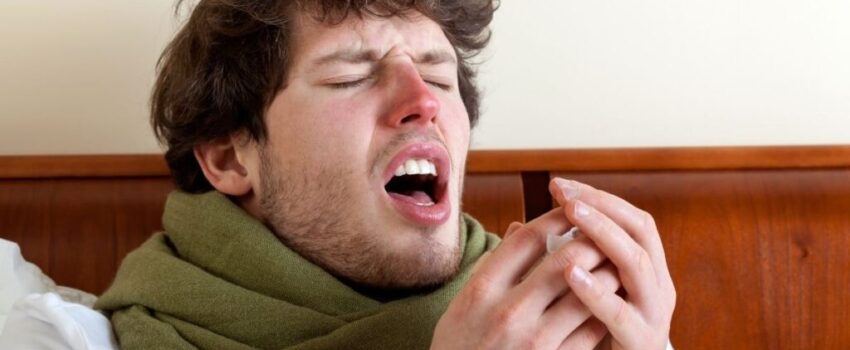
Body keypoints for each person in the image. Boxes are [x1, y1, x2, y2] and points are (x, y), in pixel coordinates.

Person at [95, 1, 677, 349]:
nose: (423, 101)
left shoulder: (547, 320)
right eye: (349, 76)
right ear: (228, 158)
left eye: (440, 76)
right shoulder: (86, 337)